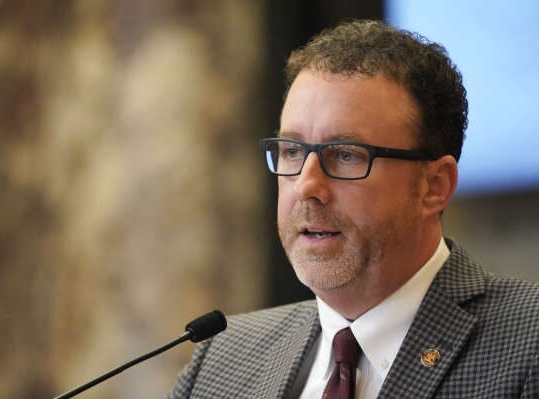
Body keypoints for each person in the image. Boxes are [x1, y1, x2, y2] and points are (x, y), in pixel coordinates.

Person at [166, 20, 539, 398]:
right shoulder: (220, 362)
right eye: (292, 151)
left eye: (345, 155)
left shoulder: (528, 344)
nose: (307, 186)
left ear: (434, 187)